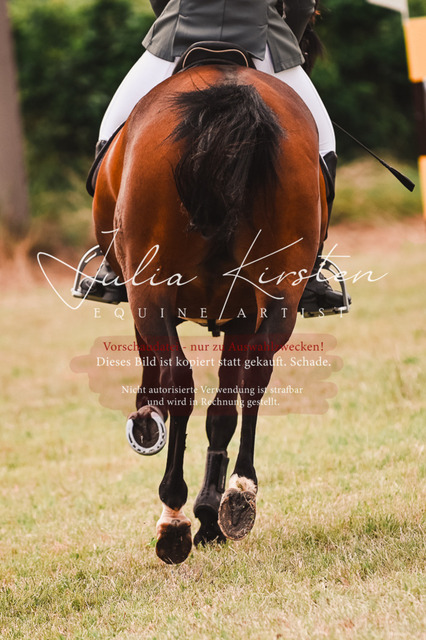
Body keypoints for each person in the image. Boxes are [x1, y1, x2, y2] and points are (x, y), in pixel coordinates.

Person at [80, 0, 349, 314]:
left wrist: (178, 16)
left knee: (110, 133)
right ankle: (310, 272)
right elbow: (301, 6)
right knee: (323, 144)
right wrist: (287, 41)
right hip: (264, 42)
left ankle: (112, 264)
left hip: (177, 38)